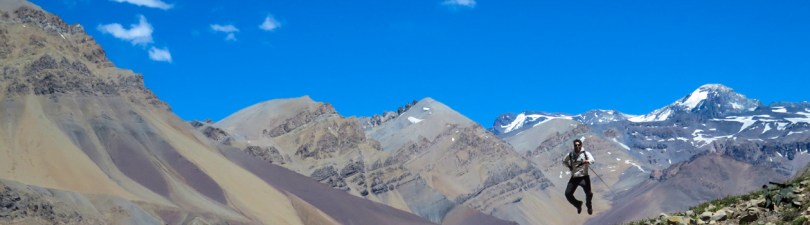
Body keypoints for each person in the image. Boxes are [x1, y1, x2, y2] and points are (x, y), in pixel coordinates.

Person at [562, 139, 595, 215]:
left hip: (584, 177)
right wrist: (569, 166)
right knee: (567, 194)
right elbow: (564, 161)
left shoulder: (585, 154)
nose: (577, 146)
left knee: (589, 194)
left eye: (578, 145)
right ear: (574, 146)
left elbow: (592, 160)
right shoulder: (570, 154)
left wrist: (586, 161)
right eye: (575, 145)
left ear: (581, 145)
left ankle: (589, 206)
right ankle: (578, 204)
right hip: (574, 177)